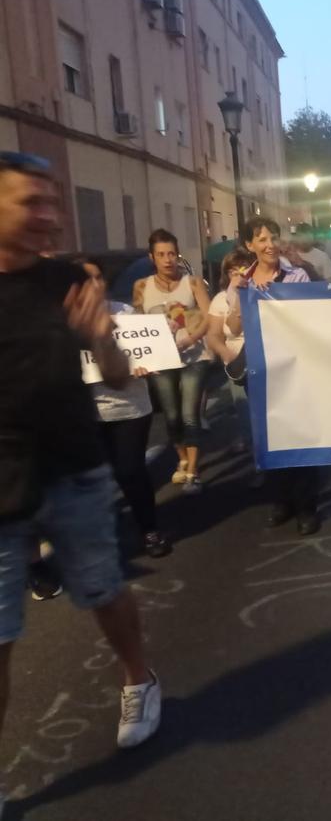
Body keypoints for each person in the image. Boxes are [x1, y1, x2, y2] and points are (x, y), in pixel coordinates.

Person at [0, 153, 161, 800]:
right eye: (30, 202)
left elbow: (119, 375)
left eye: (51, 201)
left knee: (101, 591)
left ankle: (138, 679)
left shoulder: (69, 281)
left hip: (74, 473)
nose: (48, 215)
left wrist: (101, 336)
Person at [233, 218, 323, 534]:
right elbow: (232, 327)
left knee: (301, 436)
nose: (269, 244)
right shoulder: (242, 279)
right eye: (261, 239)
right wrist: (239, 294)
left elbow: (310, 315)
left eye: (272, 237)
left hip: (296, 367)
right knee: (271, 438)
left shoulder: (296, 275)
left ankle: (306, 507)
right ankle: (282, 501)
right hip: (264, 371)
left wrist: (276, 296)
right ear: (249, 246)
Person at [80, 260, 171, 559]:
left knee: (130, 470)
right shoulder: (65, 321)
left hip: (130, 408)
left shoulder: (125, 314)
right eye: (85, 279)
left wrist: (149, 364)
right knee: (96, 478)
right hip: (87, 412)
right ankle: (104, 532)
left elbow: (147, 349)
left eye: (97, 278)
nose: (93, 285)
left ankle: (149, 529)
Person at [133, 228, 212, 495]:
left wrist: (191, 339)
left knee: (190, 415)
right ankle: (181, 456)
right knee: (171, 415)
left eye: (171, 254)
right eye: (161, 254)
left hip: (194, 357)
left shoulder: (193, 283)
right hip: (161, 361)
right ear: (151, 257)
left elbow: (208, 315)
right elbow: (136, 323)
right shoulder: (143, 287)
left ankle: (193, 471)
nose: (168, 259)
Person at [206, 247, 256, 454]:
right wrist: (226, 354)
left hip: (261, 359)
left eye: (242, 269)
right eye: (232, 271)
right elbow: (214, 335)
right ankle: (255, 460)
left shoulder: (260, 292)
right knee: (245, 414)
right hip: (237, 365)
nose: (237, 275)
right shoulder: (220, 300)